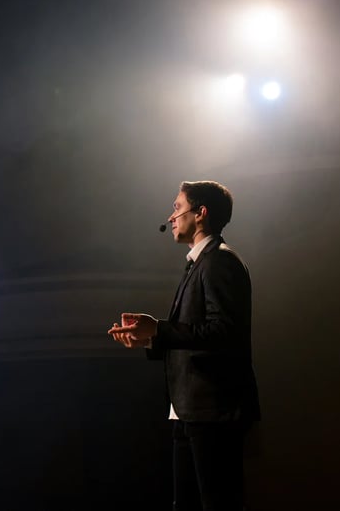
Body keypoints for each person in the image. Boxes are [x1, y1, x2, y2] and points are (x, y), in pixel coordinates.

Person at [108, 180, 259, 511]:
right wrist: (149, 336)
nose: (172, 216)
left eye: (178, 207)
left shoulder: (219, 261)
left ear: (200, 213)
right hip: (190, 410)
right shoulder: (200, 263)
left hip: (212, 412)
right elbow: (194, 334)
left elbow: (223, 333)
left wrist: (160, 329)